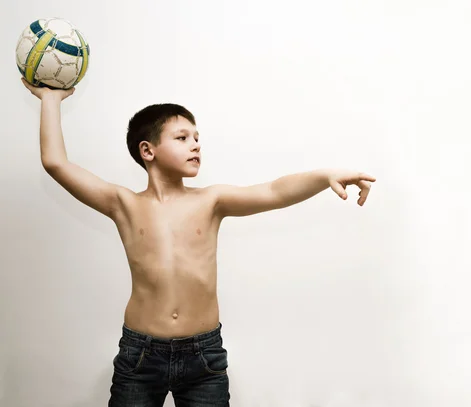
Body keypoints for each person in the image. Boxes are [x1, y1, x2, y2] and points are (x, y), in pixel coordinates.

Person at [21, 78, 376, 407]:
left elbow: (273, 191)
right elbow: (56, 162)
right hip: (140, 355)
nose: (195, 144)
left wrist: (324, 175)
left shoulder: (211, 201)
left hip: (204, 355)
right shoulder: (124, 204)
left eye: (196, 137)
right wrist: (50, 99)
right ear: (148, 150)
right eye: (182, 137)